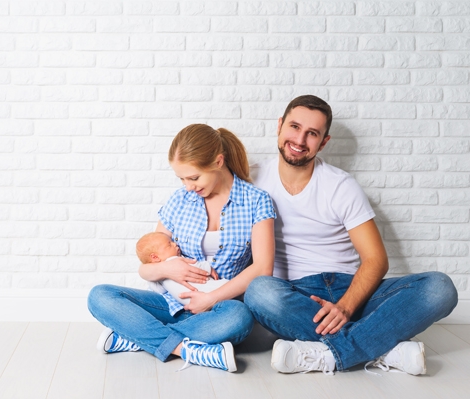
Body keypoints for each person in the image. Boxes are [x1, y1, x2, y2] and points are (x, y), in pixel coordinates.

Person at [245, 95, 458, 375]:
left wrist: (345, 307)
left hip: (352, 292)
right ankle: (383, 347)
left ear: (324, 142)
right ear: (280, 126)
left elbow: (376, 259)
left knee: (440, 288)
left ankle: (332, 353)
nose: (300, 139)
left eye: (312, 134)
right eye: (294, 127)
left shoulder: (340, 185)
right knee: (259, 291)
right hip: (295, 296)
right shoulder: (252, 178)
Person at [88, 124, 276, 372]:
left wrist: (209, 299)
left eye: (194, 177)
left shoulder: (256, 201)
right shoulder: (179, 201)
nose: (188, 186)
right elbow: (146, 268)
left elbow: (263, 269)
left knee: (240, 318)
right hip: (171, 305)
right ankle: (187, 349)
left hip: (219, 309)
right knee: (99, 295)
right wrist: (170, 270)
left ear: (218, 161)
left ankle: (140, 338)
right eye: (182, 179)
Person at [135, 231, 229, 306]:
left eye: (173, 242)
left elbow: (160, 291)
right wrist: (208, 268)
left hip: (187, 301)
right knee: (227, 285)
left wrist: (153, 282)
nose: (175, 244)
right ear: (155, 257)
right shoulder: (176, 260)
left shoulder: (158, 277)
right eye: (169, 245)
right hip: (206, 290)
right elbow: (196, 266)